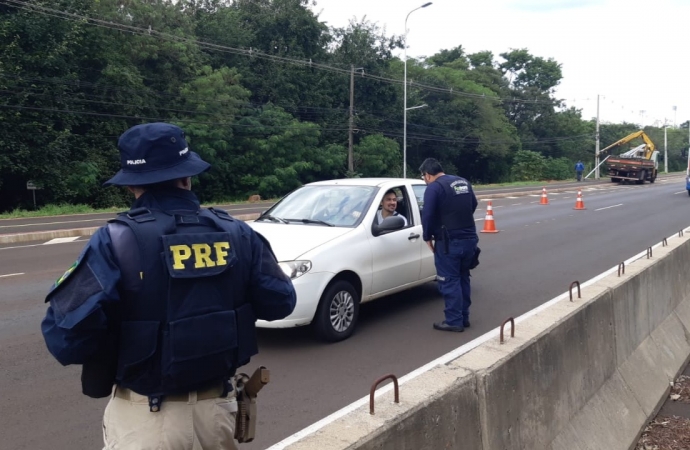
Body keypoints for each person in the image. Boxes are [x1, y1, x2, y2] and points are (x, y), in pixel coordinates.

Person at [41, 122, 296, 449]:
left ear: (133, 186)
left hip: (147, 423)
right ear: (187, 178)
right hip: (219, 415)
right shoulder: (238, 234)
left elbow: (65, 340)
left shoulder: (116, 241)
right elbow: (281, 303)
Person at [419, 158, 478, 332]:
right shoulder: (463, 182)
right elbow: (472, 205)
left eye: (423, 177)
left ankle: (453, 320)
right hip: (470, 238)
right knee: (463, 277)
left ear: (428, 175)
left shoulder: (434, 188)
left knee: (449, 281)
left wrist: (427, 236)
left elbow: (427, 215)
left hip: (449, 242)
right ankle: (464, 317)